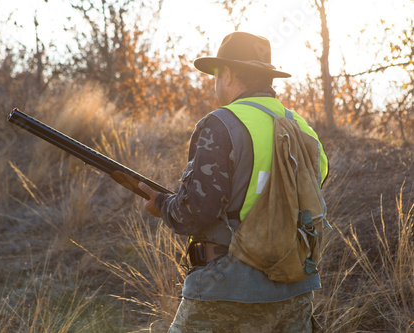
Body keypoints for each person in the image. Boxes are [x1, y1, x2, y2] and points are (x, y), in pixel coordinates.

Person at [139, 32, 328, 333]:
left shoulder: (221, 123)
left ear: (226, 74)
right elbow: (310, 193)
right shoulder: (304, 131)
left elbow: (197, 211)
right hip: (295, 292)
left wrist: (162, 205)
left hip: (226, 290)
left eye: (216, 74)